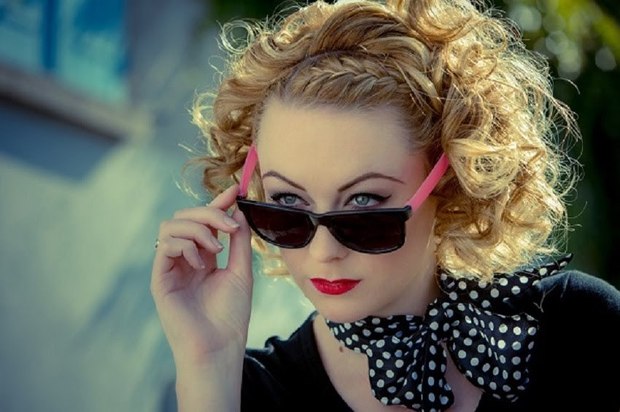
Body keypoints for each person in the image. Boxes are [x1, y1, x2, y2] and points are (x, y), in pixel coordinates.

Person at [150, 0, 620, 410]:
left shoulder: (579, 328)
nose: (323, 252)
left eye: (363, 203)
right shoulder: (237, 393)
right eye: (287, 202)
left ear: (450, 179)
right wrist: (207, 363)